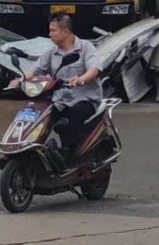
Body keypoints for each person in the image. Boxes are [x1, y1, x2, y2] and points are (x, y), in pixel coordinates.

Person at [26, 14, 105, 163]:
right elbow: (35, 69)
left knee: (75, 114)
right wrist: (20, 80)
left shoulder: (86, 47)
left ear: (65, 31)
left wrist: (82, 79)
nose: (50, 34)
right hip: (60, 100)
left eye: (53, 30)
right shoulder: (51, 52)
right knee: (37, 114)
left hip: (85, 99)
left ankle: (69, 153)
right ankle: (31, 149)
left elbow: (94, 69)